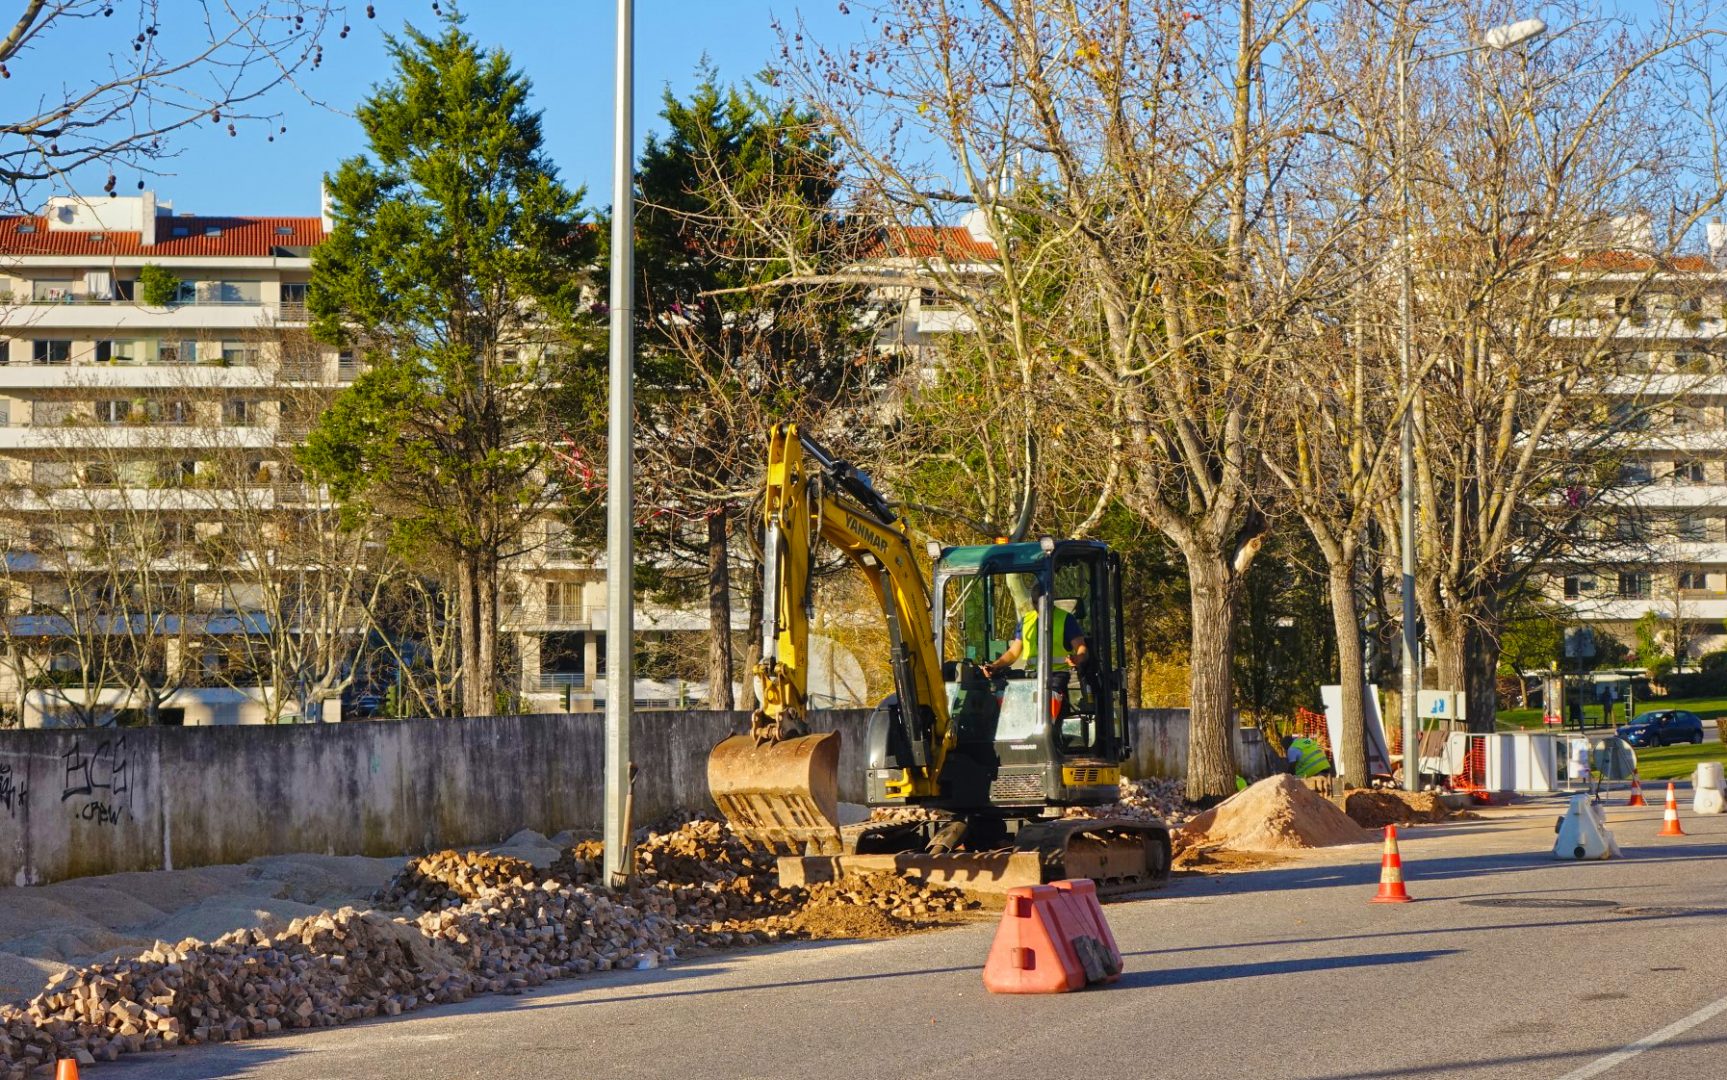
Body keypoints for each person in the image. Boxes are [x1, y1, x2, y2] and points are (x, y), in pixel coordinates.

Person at [979, 576, 1089, 677]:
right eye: (1036, 602)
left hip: (1057, 675)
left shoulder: (1067, 619)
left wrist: (1077, 658)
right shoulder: (1026, 620)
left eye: (1043, 601)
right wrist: (995, 665)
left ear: (1051, 599)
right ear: (1032, 601)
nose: (1040, 606)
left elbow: (1081, 647)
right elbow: (1013, 653)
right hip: (1032, 676)